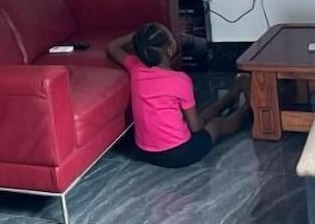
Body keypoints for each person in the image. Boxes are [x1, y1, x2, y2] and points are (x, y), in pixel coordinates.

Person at [107, 23, 250, 168]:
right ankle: (247, 108)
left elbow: (112, 47)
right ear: (169, 49)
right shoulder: (180, 80)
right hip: (179, 154)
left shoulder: (136, 67)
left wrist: (141, 36)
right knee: (216, 125)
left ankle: (231, 95)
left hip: (146, 152)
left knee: (199, 118)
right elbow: (196, 128)